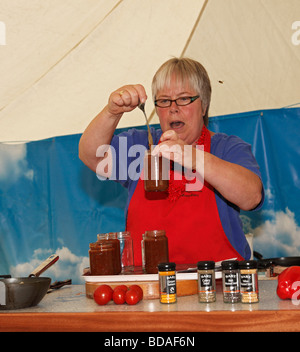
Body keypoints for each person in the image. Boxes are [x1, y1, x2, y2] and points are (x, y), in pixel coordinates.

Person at [79, 57, 264, 266]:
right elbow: (93, 157)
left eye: (184, 99)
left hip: (215, 285)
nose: (173, 108)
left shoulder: (226, 148)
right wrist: (111, 112)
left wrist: (193, 156)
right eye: (164, 101)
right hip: (148, 287)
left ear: (203, 106)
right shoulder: (141, 146)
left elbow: (252, 197)